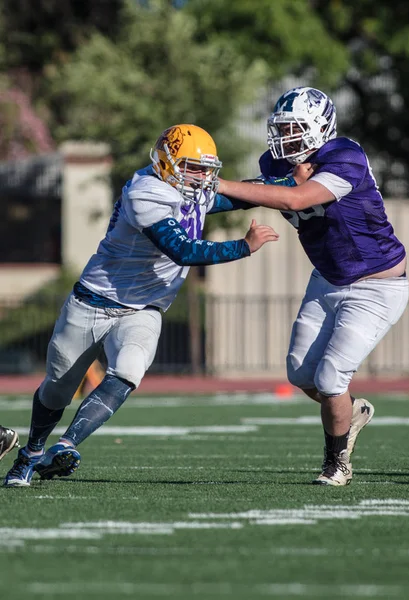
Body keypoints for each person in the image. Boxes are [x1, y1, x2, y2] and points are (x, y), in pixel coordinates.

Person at [4, 123, 279, 487]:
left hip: (145, 307)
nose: (202, 177)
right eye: (193, 167)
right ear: (166, 162)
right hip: (94, 301)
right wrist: (242, 247)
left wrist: (295, 186)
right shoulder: (145, 191)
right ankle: (31, 454)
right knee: (58, 387)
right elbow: (181, 249)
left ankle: (66, 445)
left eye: (206, 169)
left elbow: (243, 194)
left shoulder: (188, 187)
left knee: (129, 371)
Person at [217, 86, 409, 486]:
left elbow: (296, 200)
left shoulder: (345, 156)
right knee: (301, 375)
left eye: (293, 128)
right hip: (327, 278)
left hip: (376, 284)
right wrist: (192, 192)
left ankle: (336, 463)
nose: (283, 137)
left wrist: (217, 184)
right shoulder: (275, 161)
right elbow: (253, 193)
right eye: (281, 128)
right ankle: (351, 413)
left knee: (330, 379)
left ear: (319, 128)